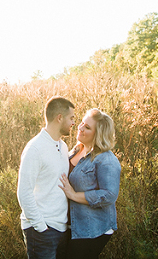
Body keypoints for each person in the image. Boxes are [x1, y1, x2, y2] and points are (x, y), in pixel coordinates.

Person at [17, 96, 77, 259]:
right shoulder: (35, 149)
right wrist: (41, 227)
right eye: (71, 118)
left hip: (61, 228)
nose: (73, 123)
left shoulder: (63, 147)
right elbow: (24, 193)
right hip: (42, 231)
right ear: (59, 118)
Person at [59, 108, 121, 259]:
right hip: (69, 224)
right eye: (81, 123)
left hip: (91, 227)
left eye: (87, 127)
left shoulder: (106, 160)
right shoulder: (75, 150)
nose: (80, 128)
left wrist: (73, 195)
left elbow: (109, 195)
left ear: (98, 134)